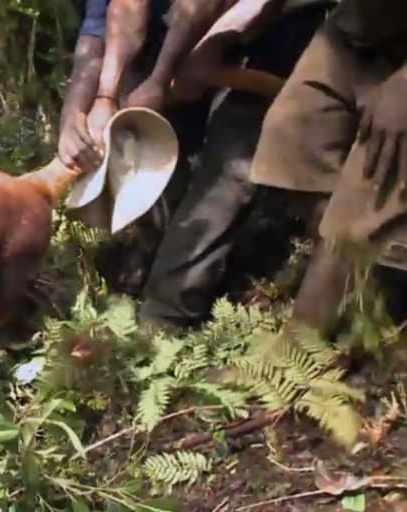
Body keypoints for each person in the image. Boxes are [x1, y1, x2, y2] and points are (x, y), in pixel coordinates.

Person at [60, 0, 329, 329]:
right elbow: (104, 28)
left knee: (230, 166)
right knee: (137, 131)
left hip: (276, 27)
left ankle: (164, 316)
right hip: (182, 34)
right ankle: (157, 245)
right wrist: (91, 105)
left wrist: (189, 60)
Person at [248, 0, 407, 334]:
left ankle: (293, 360)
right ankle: (363, 308)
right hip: (365, 26)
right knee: (291, 137)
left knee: (372, 178)